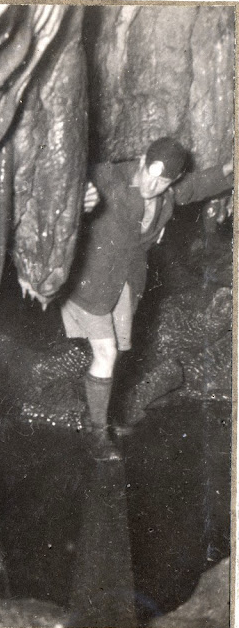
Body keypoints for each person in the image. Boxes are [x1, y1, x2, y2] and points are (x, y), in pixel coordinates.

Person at [61, 137, 233, 461]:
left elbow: (197, 185)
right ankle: (97, 436)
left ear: (172, 181)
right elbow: (75, 176)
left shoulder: (168, 194)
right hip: (91, 281)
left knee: (119, 352)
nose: (151, 184)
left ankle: (99, 413)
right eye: (148, 172)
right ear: (141, 159)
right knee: (107, 352)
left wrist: (229, 168)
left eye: (163, 180)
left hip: (126, 281)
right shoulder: (110, 178)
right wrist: (79, 194)